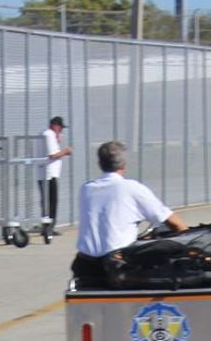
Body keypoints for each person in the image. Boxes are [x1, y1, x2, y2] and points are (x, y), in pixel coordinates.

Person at [70, 141, 187, 288]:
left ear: (100, 164)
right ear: (124, 164)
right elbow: (173, 222)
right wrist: (188, 239)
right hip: (117, 267)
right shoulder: (131, 188)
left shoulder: (86, 189)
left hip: (85, 265)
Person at [38, 115, 72, 225]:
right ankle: (49, 226)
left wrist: (57, 140)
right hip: (49, 174)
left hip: (46, 173)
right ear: (55, 126)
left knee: (48, 200)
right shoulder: (49, 134)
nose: (61, 131)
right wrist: (66, 151)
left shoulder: (46, 134)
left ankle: (48, 225)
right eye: (60, 128)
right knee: (51, 201)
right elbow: (52, 155)